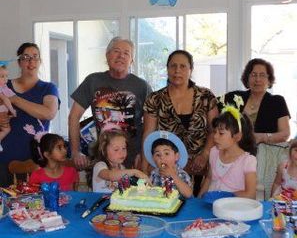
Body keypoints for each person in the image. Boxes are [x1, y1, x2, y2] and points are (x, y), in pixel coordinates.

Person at [69, 37, 152, 170]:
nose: (121, 56)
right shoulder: (92, 81)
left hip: (133, 160)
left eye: (126, 53)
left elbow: (150, 127)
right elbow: (73, 117)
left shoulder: (142, 86)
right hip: (102, 161)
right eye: (116, 51)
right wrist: (75, 151)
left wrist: (144, 155)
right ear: (107, 55)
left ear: (132, 60)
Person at [142, 50, 218, 194]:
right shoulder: (154, 99)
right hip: (166, 168)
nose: (177, 71)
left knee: (197, 210)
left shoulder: (206, 96)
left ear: (191, 70)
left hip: (201, 168)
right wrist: (145, 168)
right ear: (167, 69)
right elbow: (148, 134)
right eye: (173, 66)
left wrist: (205, 154)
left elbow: (214, 130)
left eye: (183, 66)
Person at [0, 43, 60, 187]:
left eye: (35, 57)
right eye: (26, 57)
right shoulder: (3, 84)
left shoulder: (48, 88)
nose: (31, 61)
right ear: (19, 62)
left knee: (35, 206)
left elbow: (49, 113)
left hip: (35, 161)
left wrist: (14, 99)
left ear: (40, 61)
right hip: (3, 158)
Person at [220, 58, 290, 145]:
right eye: (253, 75)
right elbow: (213, 107)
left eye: (262, 75)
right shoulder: (234, 97)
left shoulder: (277, 101)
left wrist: (262, 137)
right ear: (247, 79)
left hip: (265, 154)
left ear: (269, 80)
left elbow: (285, 134)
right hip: (234, 153)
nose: (257, 79)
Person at [199, 101, 257, 199]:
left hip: (233, 209)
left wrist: (225, 196)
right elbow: (209, 179)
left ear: (237, 136)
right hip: (210, 207)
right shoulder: (214, 152)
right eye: (214, 132)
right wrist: (199, 199)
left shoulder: (247, 161)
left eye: (221, 133)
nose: (215, 137)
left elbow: (251, 195)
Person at [143, 130, 192, 198]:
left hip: (179, 207)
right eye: (158, 155)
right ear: (153, 159)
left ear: (176, 156)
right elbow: (149, 192)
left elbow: (189, 194)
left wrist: (173, 175)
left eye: (166, 153)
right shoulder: (154, 174)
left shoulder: (181, 174)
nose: (162, 157)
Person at [0, 63, 17, 151]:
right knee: (6, 129)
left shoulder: (4, 87)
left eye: (6, 76)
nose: (6, 79)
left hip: (3, 112)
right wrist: (11, 110)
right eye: (2, 76)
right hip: (1, 112)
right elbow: (6, 100)